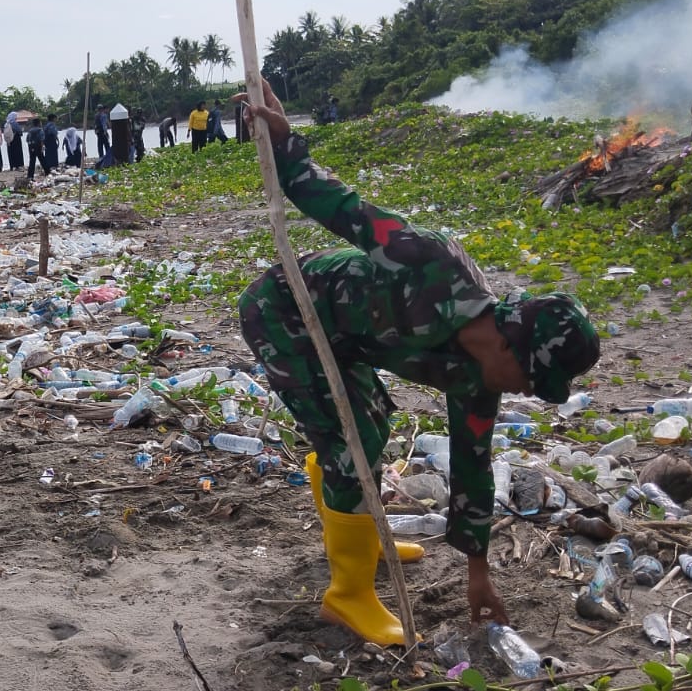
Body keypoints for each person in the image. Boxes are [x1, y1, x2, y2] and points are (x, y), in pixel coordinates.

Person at [235, 80, 599, 644]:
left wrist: (477, 577)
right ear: (511, 346)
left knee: (371, 426)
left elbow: (472, 469)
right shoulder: (434, 262)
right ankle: (348, 595)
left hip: (347, 339)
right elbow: (340, 207)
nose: (527, 392)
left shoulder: (480, 377)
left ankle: (358, 534)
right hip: (288, 312)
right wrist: (285, 144)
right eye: (532, 379)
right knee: (349, 439)